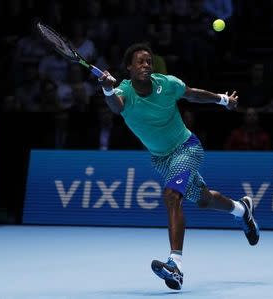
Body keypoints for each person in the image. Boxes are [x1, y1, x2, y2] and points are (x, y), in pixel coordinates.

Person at [97, 43, 259, 290]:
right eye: (140, 62)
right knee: (203, 199)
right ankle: (242, 210)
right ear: (128, 67)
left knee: (172, 196)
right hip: (161, 159)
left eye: (149, 61)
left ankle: (176, 265)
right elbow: (117, 107)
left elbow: (192, 93)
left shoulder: (167, 84)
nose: (146, 66)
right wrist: (107, 90)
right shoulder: (123, 91)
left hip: (186, 148)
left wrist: (223, 99)